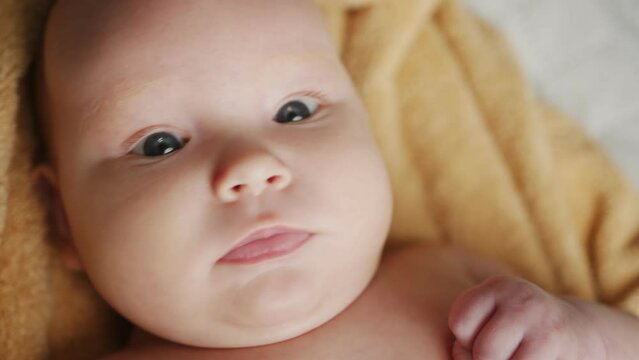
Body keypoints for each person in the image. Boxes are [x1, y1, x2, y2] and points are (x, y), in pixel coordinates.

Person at [33, 0, 639, 358]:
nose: (253, 167)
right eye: (160, 144)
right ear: (63, 218)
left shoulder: (461, 286)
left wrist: (586, 338)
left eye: (294, 111)